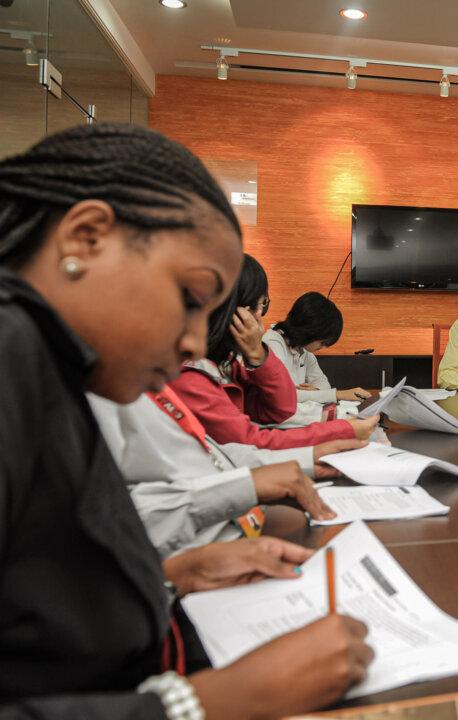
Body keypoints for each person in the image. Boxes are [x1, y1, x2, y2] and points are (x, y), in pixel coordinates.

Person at [0, 124, 372, 718]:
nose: (197, 338)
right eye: (190, 297)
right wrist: (206, 703)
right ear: (85, 237)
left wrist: (168, 576)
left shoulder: (52, 367)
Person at [88, 293, 364, 556]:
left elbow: (218, 451)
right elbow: (120, 518)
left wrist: (307, 457)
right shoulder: (173, 377)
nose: (259, 324)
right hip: (206, 547)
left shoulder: (171, 372)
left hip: (231, 532)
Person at [170, 255, 378, 449]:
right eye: (254, 307)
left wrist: (259, 355)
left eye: (263, 307)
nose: (259, 321)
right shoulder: (192, 373)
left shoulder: (232, 363)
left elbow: (281, 408)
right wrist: (340, 429)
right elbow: (251, 438)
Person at [263, 291, 371, 403]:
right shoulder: (273, 344)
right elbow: (282, 396)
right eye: (323, 342)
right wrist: (338, 394)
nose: (323, 347)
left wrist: (316, 392)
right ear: (311, 330)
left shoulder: (303, 350)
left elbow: (324, 385)